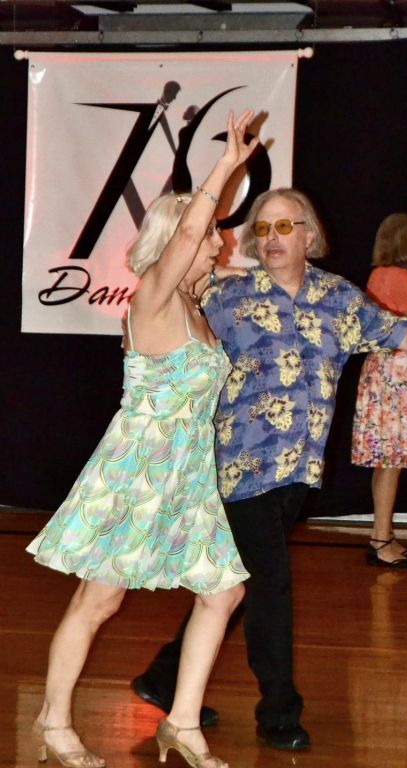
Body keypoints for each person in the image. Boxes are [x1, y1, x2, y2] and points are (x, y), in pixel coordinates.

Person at [132, 187, 407, 751]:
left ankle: (163, 677)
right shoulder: (226, 297)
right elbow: (167, 311)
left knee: (242, 583)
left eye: (285, 226)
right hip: (238, 468)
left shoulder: (338, 298)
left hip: (298, 471)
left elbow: (406, 333)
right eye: (263, 228)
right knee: (271, 586)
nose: (272, 238)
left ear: (309, 235)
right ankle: (279, 712)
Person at [26, 109, 259, 768]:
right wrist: (226, 164)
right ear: (179, 239)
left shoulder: (196, 308)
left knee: (224, 592)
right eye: (212, 235)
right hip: (137, 467)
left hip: (186, 473)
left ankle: (182, 722)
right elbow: (186, 231)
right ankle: (51, 721)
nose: (218, 244)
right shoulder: (152, 295)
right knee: (98, 598)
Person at [351, 213, 407, 567]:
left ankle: (383, 534)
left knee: (386, 462)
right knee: (391, 461)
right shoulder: (400, 277)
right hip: (398, 376)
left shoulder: (379, 274)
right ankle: (380, 540)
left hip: (383, 372)